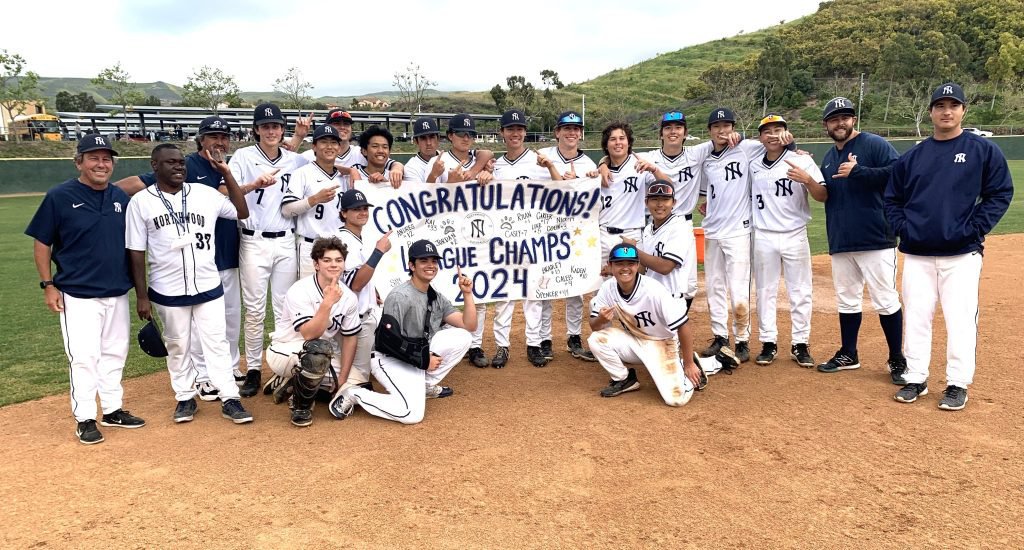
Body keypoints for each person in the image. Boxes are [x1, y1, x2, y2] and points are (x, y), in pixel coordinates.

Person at [884, 82, 1013, 410]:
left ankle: (957, 383)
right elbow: (892, 199)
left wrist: (975, 227)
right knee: (916, 317)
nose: (946, 111)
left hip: (962, 254)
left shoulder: (982, 150)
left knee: (960, 318)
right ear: (931, 112)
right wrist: (905, 230)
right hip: (918, 254)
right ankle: (916, 377)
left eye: (953, 105)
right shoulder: (914, 156)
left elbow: (1000, 193)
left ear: (963, 111)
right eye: (940, 105)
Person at [113, 115, 246, 400]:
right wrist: (141, 294)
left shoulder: (204, 190)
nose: (178, 167)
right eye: (172, 163)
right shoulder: (144, 200)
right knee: (179, 342)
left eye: (181, 164)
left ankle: (228, 392)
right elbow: (135, 249)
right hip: (168, 282)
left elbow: (241, 211)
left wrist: (227, 174)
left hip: (213, 269)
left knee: (219, 334)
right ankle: (189, 391)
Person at [25, 134, 145, 445]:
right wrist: (47, 284)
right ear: (79, 161)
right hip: (77, 294)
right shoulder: (60, 196)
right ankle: (85, 418)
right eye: (93, 157)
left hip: (117, 291)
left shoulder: (119, 197)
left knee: (115, 353)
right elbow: (42, 243)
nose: (101, 164)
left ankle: (113, 409)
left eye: (106, 158)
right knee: (84, 356)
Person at [811, 97, 907, 382]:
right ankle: (849, 353)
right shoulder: (829, 157)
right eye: (834, 118)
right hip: (842, 240)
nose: (841, 122)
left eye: (846, 117)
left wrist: (861, 172)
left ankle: (897, 359)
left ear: (853, 120)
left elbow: (900, 175)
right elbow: (825, 194)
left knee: (885, 300)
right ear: (825, 124)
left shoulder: (873, 144)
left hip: (876, 237)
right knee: (847, 300)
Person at [336, 239, 477, 425]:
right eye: (424, 261)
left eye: (434, 261)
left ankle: (424, 386)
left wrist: (467, 294)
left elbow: (469, 325)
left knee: (463, 337)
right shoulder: (400, 296)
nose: (430, 265)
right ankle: (355, 393)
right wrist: (423, 360)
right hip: (388, 357)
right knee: (411, 414)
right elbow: (388, 341)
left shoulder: (436, 296)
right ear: (411, 265)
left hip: (413, 355)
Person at [228, 103, 309, 397]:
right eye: (266, 126)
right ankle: (252, 368)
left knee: (286, 308)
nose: (271, 130)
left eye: (276, 125)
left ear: (282, 129)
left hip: (286, 240)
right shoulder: (243, 156)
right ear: (256, 130)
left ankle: (282, 368)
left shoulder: (294, 159)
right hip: (253, 239)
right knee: (254, 310)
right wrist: (253, 183)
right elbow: (226, 191)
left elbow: (325, 163)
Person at [483, 108, 563, 368]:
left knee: (534, 294)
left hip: (533, 237)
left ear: (525, 132)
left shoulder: (539, 160)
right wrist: (483, 175)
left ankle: (534, 344)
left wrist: (550, 166)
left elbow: (562, 189)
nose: (515, 133)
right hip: (504, 239)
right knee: (504, 295)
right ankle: (502, 347)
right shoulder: (496, 165)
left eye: (519, 129)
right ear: (502, 133)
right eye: (510, 129)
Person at [588, 243, 710, 406]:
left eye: (630, 263)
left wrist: (688, 363)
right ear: (610, 266)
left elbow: (683, 325)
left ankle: (688, 365)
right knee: (596, 339)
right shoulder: (607, 288)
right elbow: (594, 326)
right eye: (619, 264)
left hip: (663, 344)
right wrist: (601, 320)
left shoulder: (654, 290)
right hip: (634, 340)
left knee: (675, 399)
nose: (625, 268)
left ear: (637, 265)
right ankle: (624, 379)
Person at [748, 114, 826, 368]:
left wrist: (808, 180)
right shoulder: (753, 163)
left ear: (787, 133)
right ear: (760, 137)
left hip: (794, 233)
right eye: (766, 131)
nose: (772, 135)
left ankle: (800, 343)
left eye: (777, 130)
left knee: (800, 290)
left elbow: (822, 195)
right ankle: (768, 342)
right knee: (764, 291)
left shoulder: (800, 160)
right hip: (764, 235)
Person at [262, 237, 361, 426]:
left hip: (317, 354)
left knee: (357, 382)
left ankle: (293, 383)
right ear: (316, 264)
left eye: (338, 260)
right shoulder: (300, 290)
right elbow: (309, 334)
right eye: (327, 260)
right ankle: (301, 407)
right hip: (284, 351)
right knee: (317, 351)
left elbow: (350, 339)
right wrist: (328, 303)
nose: (334, 265)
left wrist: (342, 379)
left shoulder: (349, 297)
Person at [698, 107, 761, 363]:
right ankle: (720, 337)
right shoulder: (705, 157)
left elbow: (776, 144)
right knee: (714, 285)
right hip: (712, 229)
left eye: (727, 126)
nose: (722, 130)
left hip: (738, 230)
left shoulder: (746, 148)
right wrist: (705, 202)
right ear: (710, 130)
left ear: (733, 127)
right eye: (717, 126)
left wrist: (793, 147)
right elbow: (704, 190)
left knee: (738, 287)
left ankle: (743, 340)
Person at [536, 110, 599, 363]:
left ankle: (574, 336)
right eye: (567, 128)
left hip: (576, 233)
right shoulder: (543, 158)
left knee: (576, 287)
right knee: (546, 285)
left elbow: (593, 200)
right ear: (557, 132)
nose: (572, 132)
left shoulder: (589, 164)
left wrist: (582, 180)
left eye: (576, 128)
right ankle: (544, 338)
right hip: (546, 229)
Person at [638, 111, 715, 312]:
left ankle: (676, 322)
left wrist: (792, 148)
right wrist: (602, 164)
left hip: (682, 221)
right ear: (661, 134)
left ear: (685, 133)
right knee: (652, 277)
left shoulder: (696, 153)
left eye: (678, 127)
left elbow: (723, 137)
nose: (673, 131)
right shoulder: (648, 157)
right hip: (655, 225)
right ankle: (655, 324)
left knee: (688, 286)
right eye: (668, 128)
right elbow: (616, 155)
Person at [329, 189, 391, 402]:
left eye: (365, 208)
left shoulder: (355, 237)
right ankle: (302, 385)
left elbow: (354, 279)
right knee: (359, 383)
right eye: (356, 209)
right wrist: (378, 252)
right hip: (353, 320)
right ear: (344, 213)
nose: (362, 212)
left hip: (362, 314)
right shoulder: (343, 240)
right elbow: (355, 283)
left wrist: (372, 291)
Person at [597, 122, 671, 268]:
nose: (618, 142)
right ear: (606, 145)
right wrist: (601, 165)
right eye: (613, 139)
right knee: (603, 286)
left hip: (632, 235)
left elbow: (668, 186)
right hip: (603, 235)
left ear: (629, 142)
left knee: (633, 284)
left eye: (622, 138)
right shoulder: (598, 172)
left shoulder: (640, 164)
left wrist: (653, 170)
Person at [282, 124, 345, 278]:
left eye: (333, 142)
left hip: (338, 249)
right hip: (310, 246)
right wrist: (314, 199)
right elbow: (286, 210)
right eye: (324, 142)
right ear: (314, 147)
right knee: (308, 297)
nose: (329, 147)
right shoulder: (302, 173)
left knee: (336, 297)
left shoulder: (345, 177)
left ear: (339, 147)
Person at [431, 114, 494, 184]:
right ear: (450, 136)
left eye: (470, 134)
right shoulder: (437, 162)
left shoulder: (483, 163)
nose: (466, 139)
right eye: (461, 133)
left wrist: (490, 177)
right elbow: (428, 193)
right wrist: (450, 184)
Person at [403, 117, 442, 183]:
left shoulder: (448, 159)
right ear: (416, 141)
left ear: (438, 138)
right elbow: (419, 193)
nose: (428, 143)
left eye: (432, 137)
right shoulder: (411, 168)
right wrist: (433, 175)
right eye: (423, 138)